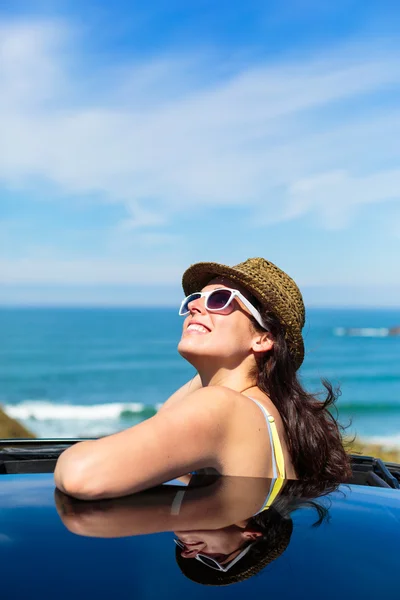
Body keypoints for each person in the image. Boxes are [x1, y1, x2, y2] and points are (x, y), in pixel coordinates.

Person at [54, 257, 351, 500]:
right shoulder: (262, 409)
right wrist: (208, 374)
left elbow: (81, 474)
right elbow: (168, 434)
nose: (194, 305)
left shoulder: (221, 406)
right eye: (196, 298)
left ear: (263, 338)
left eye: (221, 299)